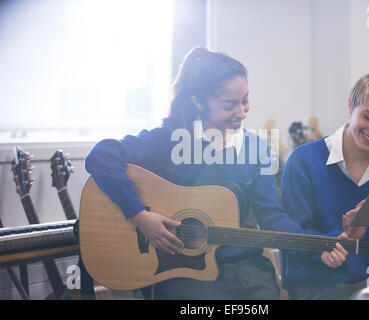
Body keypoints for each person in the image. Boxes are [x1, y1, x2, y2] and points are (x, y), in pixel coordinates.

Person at [84, 47, 287, 299]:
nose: (242, 112)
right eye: (229, 105)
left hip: (248, 269)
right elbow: (101, 156)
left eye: (245, 100)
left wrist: (321, 241)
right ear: (199, 102)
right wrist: (139, 215)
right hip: (184, 272)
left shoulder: (256, 147)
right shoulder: (168, 140)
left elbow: (272, 216)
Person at [280, 71, 369, 300]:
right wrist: (337, 241)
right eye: (368, 116)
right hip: (321, 283)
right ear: (350, 105)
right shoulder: (304, 161)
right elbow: (289, 235)